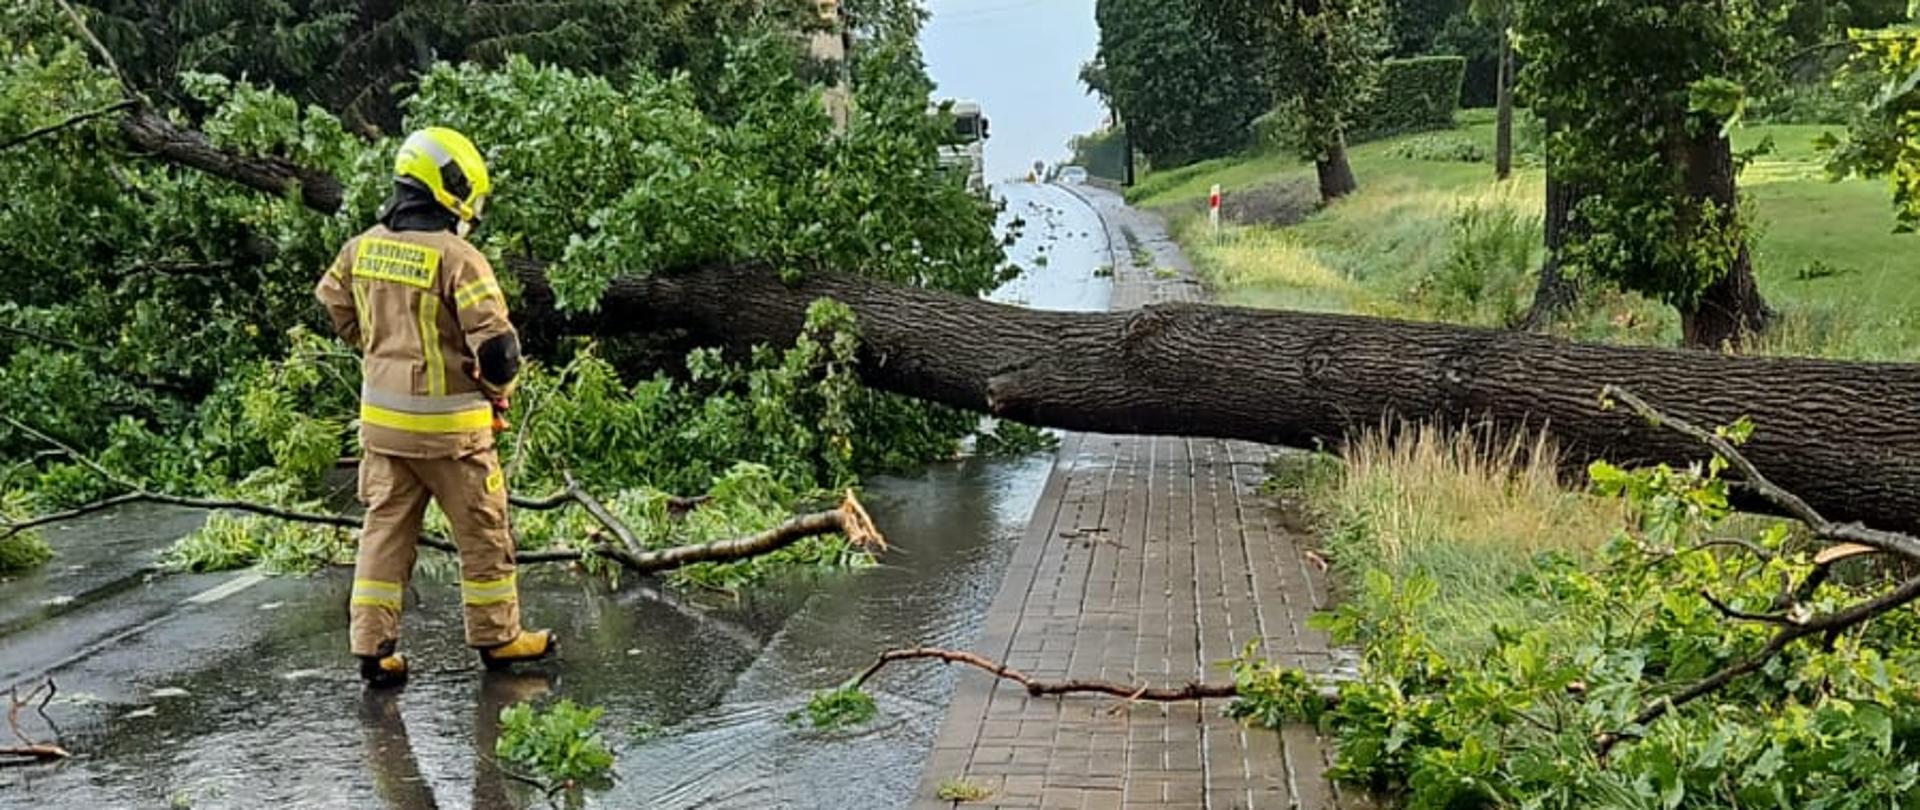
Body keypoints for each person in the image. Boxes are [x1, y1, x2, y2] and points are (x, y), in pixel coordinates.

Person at [316, 127, 554, 688]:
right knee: (484, 534)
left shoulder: (360, 249)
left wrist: (375, 348)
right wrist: (497, 388)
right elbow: (498, 351)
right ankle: (499, 638)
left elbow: (333, 302)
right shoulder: (459, 259)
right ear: (452, 188)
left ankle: (373, 649)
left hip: (385, 435)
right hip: (452, 437)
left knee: (384, 535)